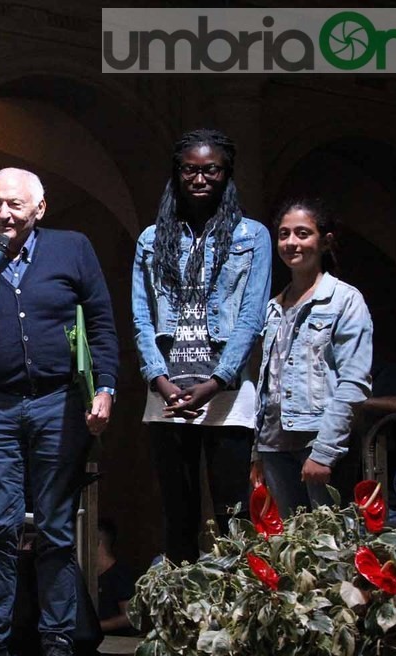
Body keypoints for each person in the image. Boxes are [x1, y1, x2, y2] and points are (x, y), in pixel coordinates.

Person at [0, 167, 119, 656]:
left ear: (39, 208)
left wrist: (104, 388)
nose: (4, 214)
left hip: (58, 404)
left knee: (57, 530)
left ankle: (57, 644)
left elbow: (101, 323)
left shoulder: (72, 249)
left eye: (15, 204)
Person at [130, 129, 272, 566]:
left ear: (226, 174)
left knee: (233, 515)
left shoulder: (253, 236)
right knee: (178, 515)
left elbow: (251, 318)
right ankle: (184, 624)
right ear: (177, 174)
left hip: (226, 396)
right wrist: (158, 379)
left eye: (211, 169)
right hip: (168, 396)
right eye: (190, 169)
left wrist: (217, 381)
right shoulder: (152, 240)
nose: (200, 178)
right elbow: (141, 315)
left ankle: (234, 620)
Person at [250, 198, 373, 513]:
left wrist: (325, 451)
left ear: (325, 241)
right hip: (274, 445)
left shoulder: (344, 300)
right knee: (289, 547)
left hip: (317, 443)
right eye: (284, 234)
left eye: (302, 233)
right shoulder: (273, 308)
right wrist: (257, 453)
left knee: (331, 548)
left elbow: (353, 383)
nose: (291, 242)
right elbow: (266, 381)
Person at [95, 518, 137, 636]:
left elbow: (129, 617)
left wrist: (96, 627)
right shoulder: (89, 576)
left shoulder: (120, 574)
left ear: (97, 541)